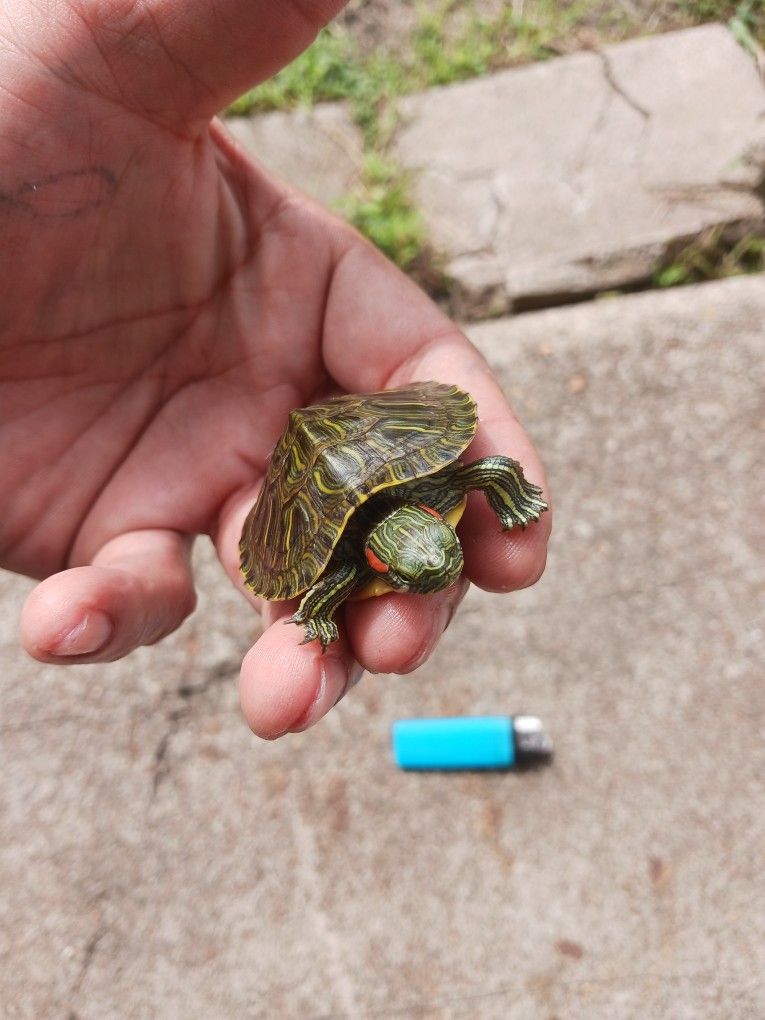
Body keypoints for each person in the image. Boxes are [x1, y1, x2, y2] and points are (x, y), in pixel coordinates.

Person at [0, 0, 550, 738]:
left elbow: (486, 472)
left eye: (435, 558)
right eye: (431, 564)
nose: (438, 565)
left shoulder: (435, 494)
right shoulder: (357, 561)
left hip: (374, 447)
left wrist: (504, 490)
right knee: (325, 609)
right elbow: (332, 581)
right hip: (314, 482)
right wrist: (318, 611)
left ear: (429, 530)